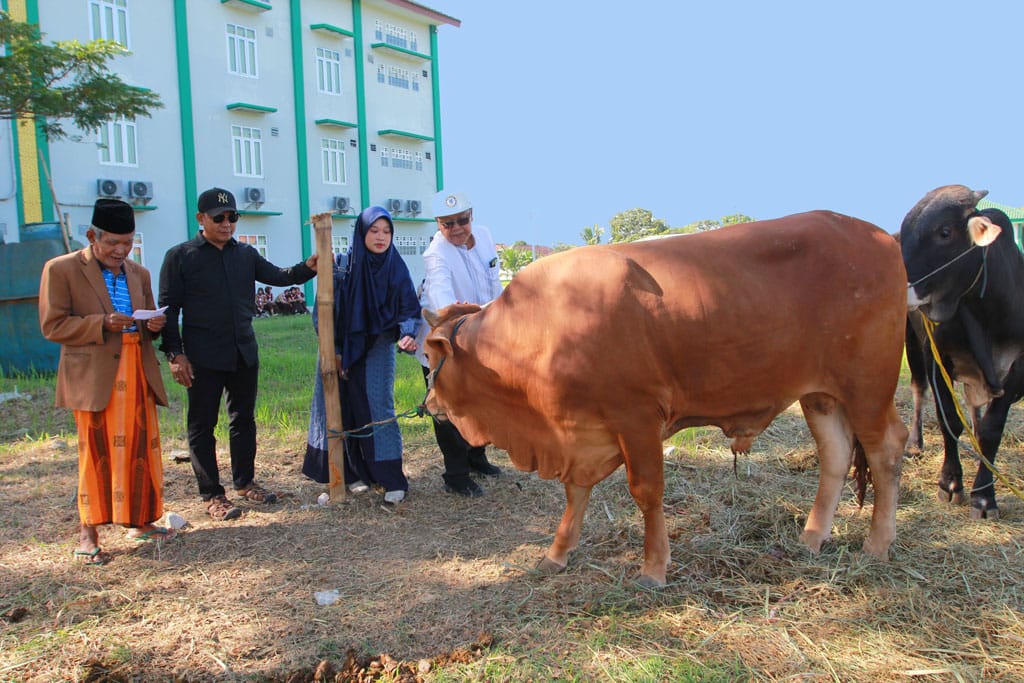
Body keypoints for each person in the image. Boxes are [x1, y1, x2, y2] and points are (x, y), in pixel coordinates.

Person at [159, 187, 318, 521]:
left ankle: (245, 482)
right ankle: (212, 494)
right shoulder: (181, 257)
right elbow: (168, 309)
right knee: (202, 424)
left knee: (243, 420)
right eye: (219, 218)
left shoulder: (245, 254)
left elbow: (278, 276)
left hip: (243, 352)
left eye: (233, 217)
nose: (227, 224)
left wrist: (308, 266)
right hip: (202, 355)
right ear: (201, 219)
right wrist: (175, 354)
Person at [38, 198, 174, 565]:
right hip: (94, 376)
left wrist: (152, 326)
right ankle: (88, 534)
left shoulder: (139, 273)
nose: (120, 250)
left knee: (142, 448)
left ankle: (141, 520)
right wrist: (100, 323)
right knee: (96, 452)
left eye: (127, 242)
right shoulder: (62, 269)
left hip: (137, 369)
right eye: (112, 242)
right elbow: (53, 325)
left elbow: (144, 323)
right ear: (91, 236)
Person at [303, 206, 420, 504]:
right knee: (338, 407)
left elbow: (409, 308)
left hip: (378, 346)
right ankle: (348, 475)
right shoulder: (343, 266)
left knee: (378, 408)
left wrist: (407, 333)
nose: (381, 237)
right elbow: (324, 313)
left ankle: (390, 478)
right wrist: (337, 351)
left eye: (387, 231)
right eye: (374, 231)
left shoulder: (396, 267)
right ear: (362, 232)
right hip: (338, 349)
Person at [415, 190, 504, 497]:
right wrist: (451, 310)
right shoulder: (435, 254)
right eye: (447, 224)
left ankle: (477, 457)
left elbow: (495, 283)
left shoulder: (484, 236)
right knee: (448, 408)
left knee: (480, 401)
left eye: (461, 221)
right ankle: (456, 474)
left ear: (472, 216)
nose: (456, 229)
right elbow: (440, 296)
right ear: (438, 225)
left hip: (482, 337)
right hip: (445, 342)